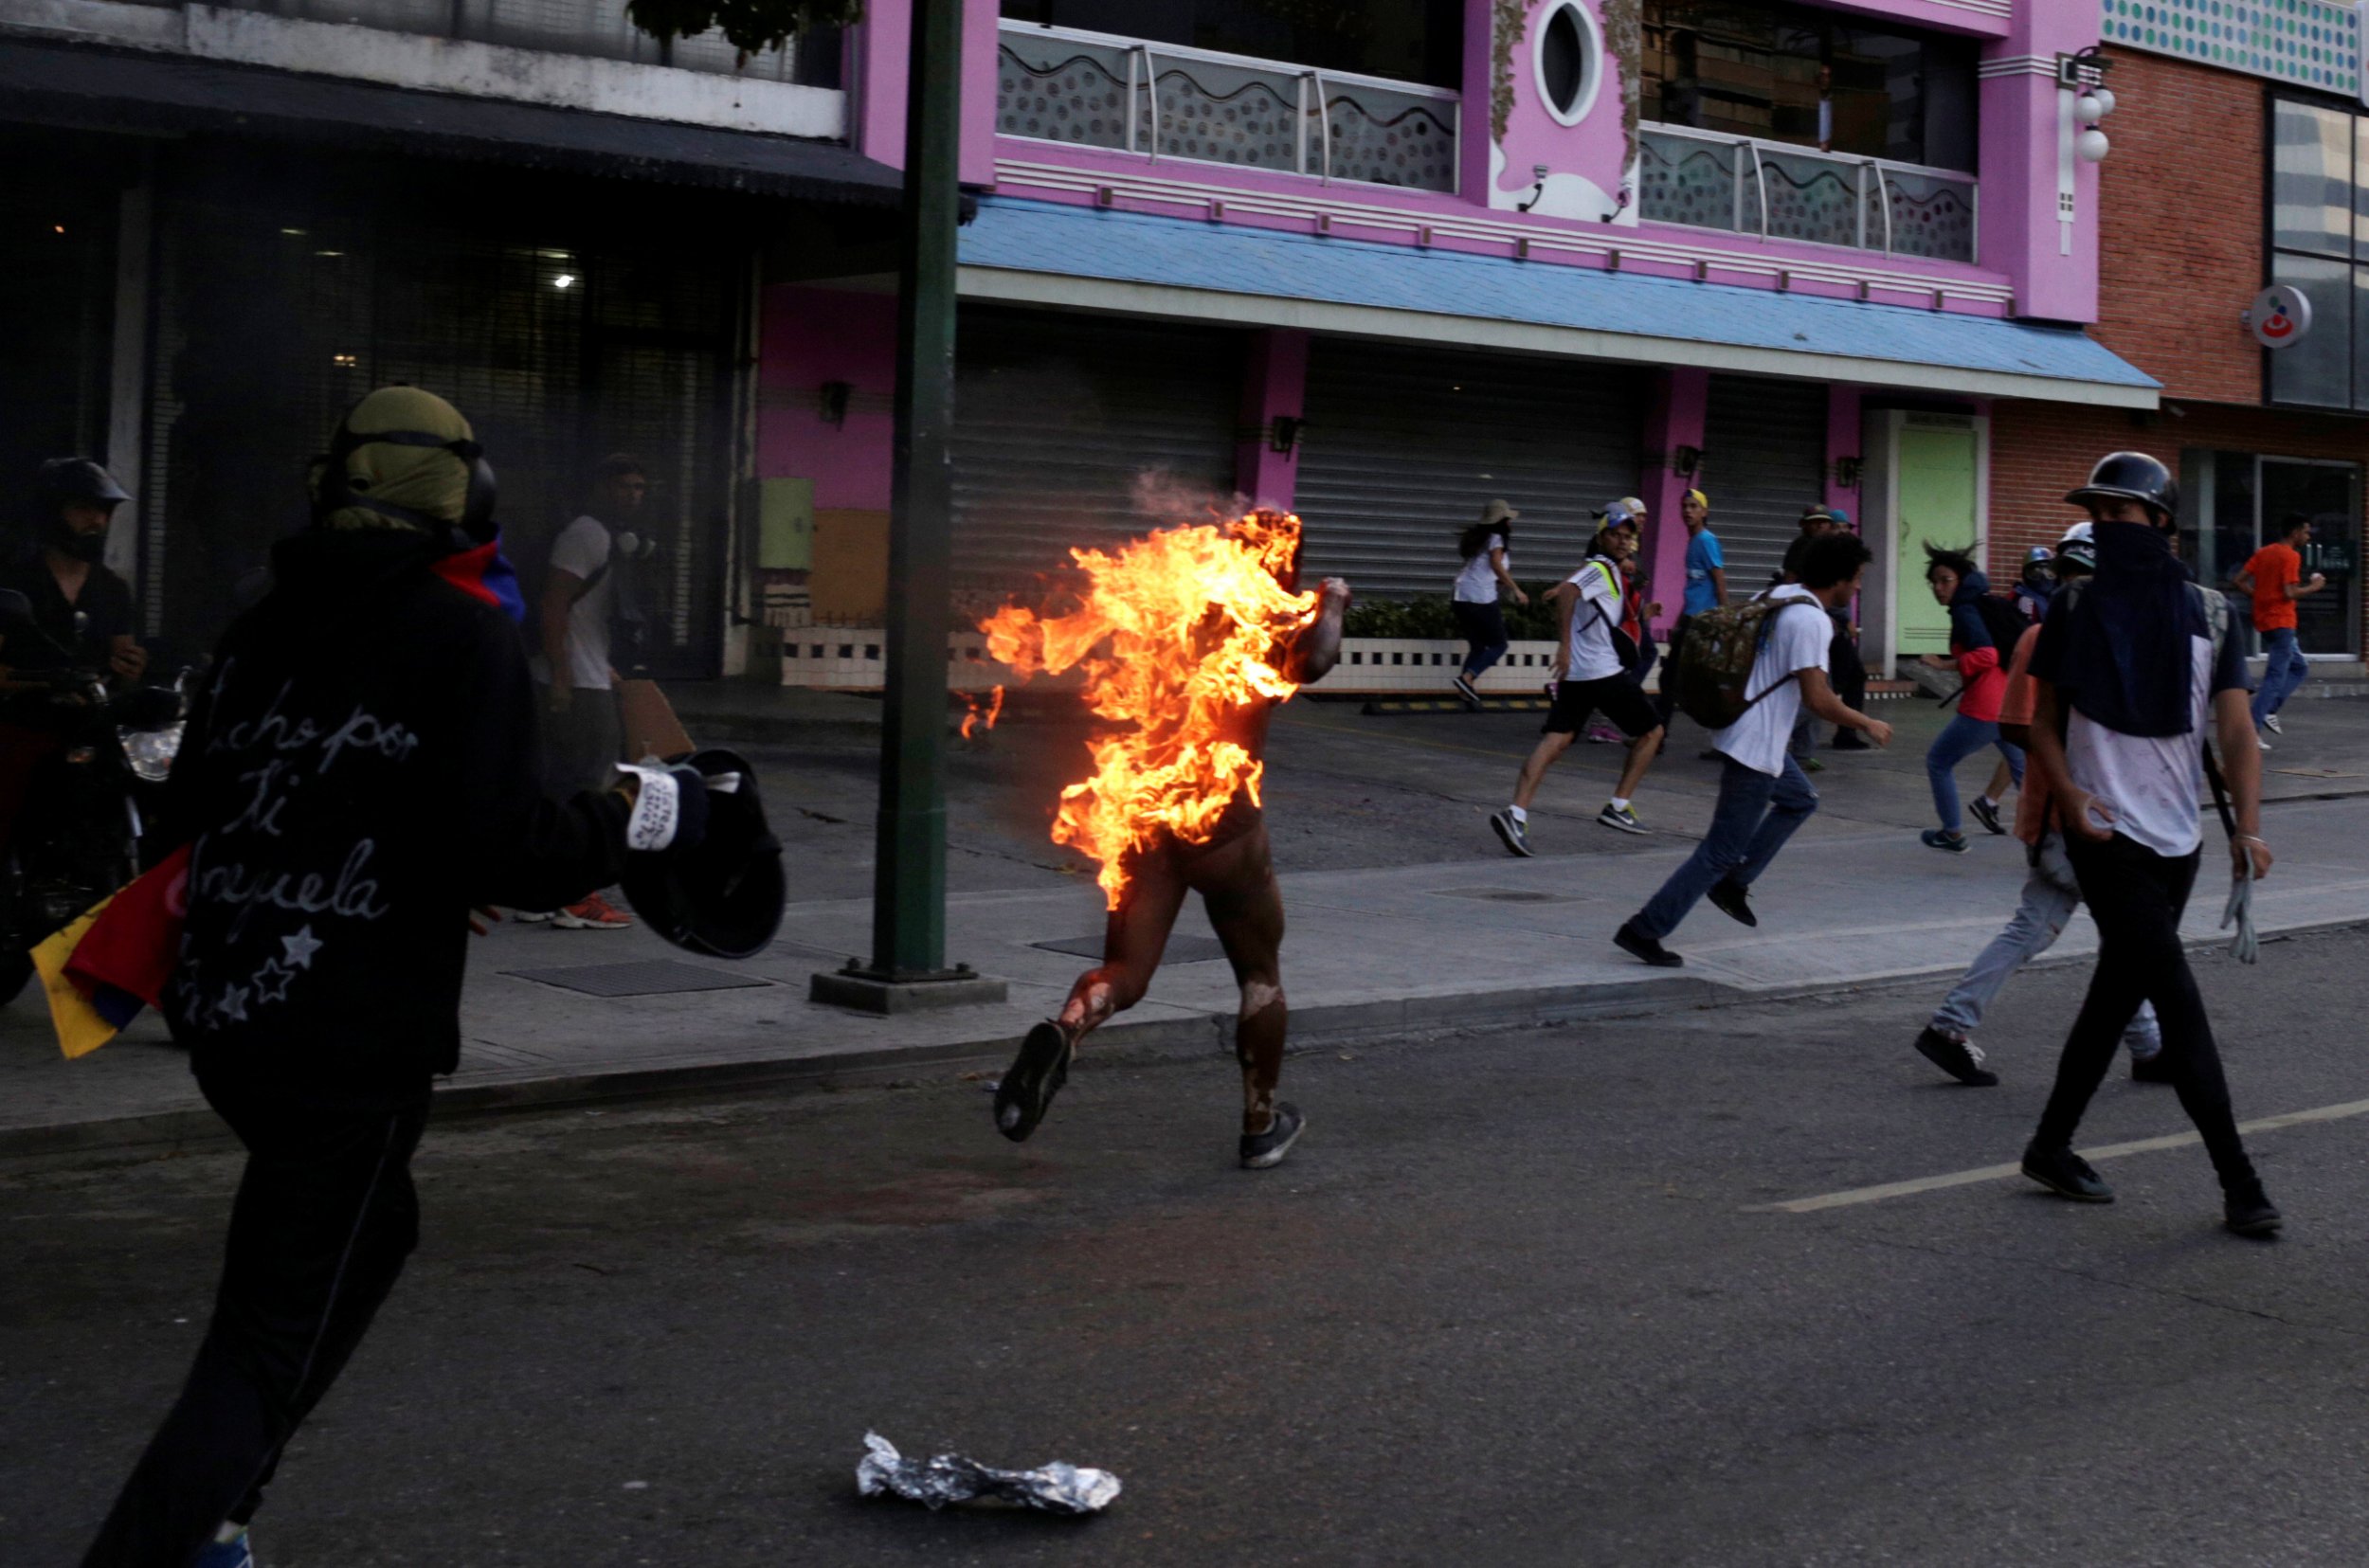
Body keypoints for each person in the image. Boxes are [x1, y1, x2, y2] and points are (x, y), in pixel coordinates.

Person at [80, 387, 696, 1567]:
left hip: (229, 1009)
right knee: (270, 1326)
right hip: (350, 1033)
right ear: (470, 501)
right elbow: (508, 849)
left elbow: (191, 802)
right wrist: (628, 813)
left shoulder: (262, 620)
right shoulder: (461, 635)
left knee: (372, 1231)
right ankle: (173, 1539)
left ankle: (215, 1514)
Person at [993, 536, 1349, 1171]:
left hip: (1145, 818)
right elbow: (1317, 659)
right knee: (1260, 974)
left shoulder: (1166, 617)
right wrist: (1335, 602)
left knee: (1124, 971)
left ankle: (1068, 1026)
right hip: (1224, 828)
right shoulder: (1262, 630)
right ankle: (1260, 1123)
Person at [2015, 451, 2279, 1236]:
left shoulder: (2211, 612)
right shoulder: (2073, 605)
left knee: (2115, 995)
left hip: (2178, 838)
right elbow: (2043, 723)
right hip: (2104, 834)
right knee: (2177, 1000)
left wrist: (2249, 829)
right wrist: (2067, 795)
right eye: (2096, 514)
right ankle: (2241, 1182)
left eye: (2118, 513)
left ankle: (2050, 1145)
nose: (2104, 526)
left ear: (2160, 523)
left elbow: (2236, 731)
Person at [1910, 524, 2162, 1087]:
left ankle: (1950, 1025)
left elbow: (2022, 727)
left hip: (2062, 817)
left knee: (2039, 927)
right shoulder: (2072, 638)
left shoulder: (2048, 635)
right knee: (2128, 933)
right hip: (2081, 820)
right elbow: (2024, 728)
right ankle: (2149, 1047)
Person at [1613, 532, 1892, 966]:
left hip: (1746, 729)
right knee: (1720, 850)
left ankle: (1735, 883)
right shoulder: (1812, 621)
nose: (1857, 587)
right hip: (1755, 744)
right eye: (1856, 578)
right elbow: (1818, 699)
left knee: (1801, 799)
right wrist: (1866, 721)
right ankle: (1645, 929)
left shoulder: (1780, 594)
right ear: (1838, 578)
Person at [1490, 504, 1668, 852]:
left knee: (1555, 742)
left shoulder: (1609, 572)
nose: (1622, 541)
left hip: (1579, 677)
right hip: (1601, 673)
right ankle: (1618, 807)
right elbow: (1570, 591)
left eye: (1627, 537)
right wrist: (1564, 647)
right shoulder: (1600, 567)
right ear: (1601, 537)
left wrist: (1643, 613)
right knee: (1653, 732)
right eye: (1615, 535)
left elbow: (1588, 605)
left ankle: (1516, 814)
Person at [525, 453, 649, 930]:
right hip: (578, 683)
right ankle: (575, 895)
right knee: (585, 790)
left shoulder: (608, 538)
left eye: (639, 487)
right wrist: (562, 675)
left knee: (557, 788)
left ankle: (543, 891)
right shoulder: (588, 534)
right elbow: (553, 604)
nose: (632, 495)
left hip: (588, 673)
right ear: (599, 488)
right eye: (623, 487)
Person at [2, 459, 148, 686]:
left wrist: (130, 669)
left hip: (93, 716)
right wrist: (52, 685)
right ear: (53, 514)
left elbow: (123, 662)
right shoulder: (14, 582)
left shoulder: (113, 589)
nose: (97, 520)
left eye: (103, 510)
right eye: (83, 508)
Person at [1917, 545, 2024, 851]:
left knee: (1938, 761)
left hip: (1986, 704)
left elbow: (1987, 655)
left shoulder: (1966, 610)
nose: (1938, 588)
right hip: (2008, 699)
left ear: (1961, 580)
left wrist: (1943, 664)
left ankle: (1951, 833)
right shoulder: (1979, 602)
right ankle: (2052, 837)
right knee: (2023, 772)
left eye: (1945, 580)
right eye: (1934, 582)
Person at [2232, 513, 2326, 747]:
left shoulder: (2264, 552)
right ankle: (2253, 728)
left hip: (2264, 621)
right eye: (2305, 532)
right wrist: (2314, 587)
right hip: (2282, 622)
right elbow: (2289, 593)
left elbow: (2238, 581)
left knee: (2299, 666)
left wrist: (2261, 598)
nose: (2307, 536)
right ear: (2294, 533)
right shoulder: (2290, 556)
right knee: (2275, 677)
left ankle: (2270, 709)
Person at [1450, 499, 1528, 707]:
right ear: (1502, 521)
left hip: (1460, 596)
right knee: (1499, 644)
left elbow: (1491, 571)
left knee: (1477, 646)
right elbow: (1495, 565)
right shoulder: (1496, 538)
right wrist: (1516, 589)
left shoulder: (1481, 538)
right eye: (1508, 519)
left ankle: (1464, 692)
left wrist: (1503, 584)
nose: (1511, 523)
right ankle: (1467, 679)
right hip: (1479, 597)